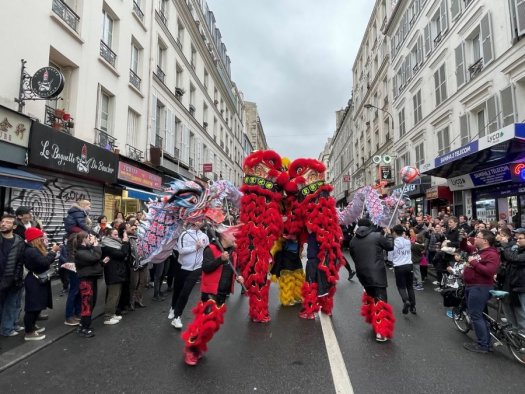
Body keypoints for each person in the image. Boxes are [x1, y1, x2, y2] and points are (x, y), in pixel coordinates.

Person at [181, 226, 243, 365]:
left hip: (223, 293)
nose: (235, 237)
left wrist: (239, 277)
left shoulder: (233, 252)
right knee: (203, 324)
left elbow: (235, 268)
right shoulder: (211, 249)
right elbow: (206, 268)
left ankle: (198, 347)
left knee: (212, 326)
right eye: (233, 234)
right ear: (223, 235)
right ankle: (190, 350)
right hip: (210, 293)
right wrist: (220, 259)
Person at [349, 218, 395, 342]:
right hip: (377, 273)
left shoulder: (353, 240)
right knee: (380, 301)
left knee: (371, 298)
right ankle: (381, 332)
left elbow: (354, 257)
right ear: (370, 226)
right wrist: (389, 234)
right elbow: (390, 247)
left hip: (362, 274)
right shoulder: (376, 235)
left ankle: (375, 323)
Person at [462, 230, 501, 353]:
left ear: (485, 240)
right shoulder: (477, 250)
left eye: (477, 237)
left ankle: (483, 345)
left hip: (480, 287)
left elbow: (489, 272)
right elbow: (464, 247)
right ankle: (486, 341)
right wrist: (463, 239)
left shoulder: (492, 254)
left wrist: (473, 263)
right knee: (479, 315)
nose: (474, 239)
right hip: (472, 285)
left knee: (476, 316)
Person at [168, 220, 209, 329]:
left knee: (185, 292)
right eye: (197, 220)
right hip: (183, 267)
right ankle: (173, 307)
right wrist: (195, 247)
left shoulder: (204, 236)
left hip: (196, 269)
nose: (199, 223)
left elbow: (207, 251)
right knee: (178, 290)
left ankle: (177, 316)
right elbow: (181, 251)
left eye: (201, 221)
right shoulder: (184, 234)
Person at [23, 228, 60, 340]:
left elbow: (44, 261)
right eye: (41, 237)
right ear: (35, 239)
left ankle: (32, 326)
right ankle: (29, 332)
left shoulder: (34, 249)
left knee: (38, 305)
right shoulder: (31, 251)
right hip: (34, 281)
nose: (43, 239)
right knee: (32, 307)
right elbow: (44, 262)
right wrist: (53, 252)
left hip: (38, 279)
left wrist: (51, 254)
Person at [75, 232, 105, 338]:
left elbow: (94, 263)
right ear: (84, 239)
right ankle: (84, 328)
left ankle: (85, 324)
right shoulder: (80, 252)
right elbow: (94, 258)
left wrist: (102, 263)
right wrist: (96, 246)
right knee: (87, 304)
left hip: (91, 279)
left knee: (91, 303)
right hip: (86, 281)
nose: (90, 239)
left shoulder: (86, 250)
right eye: (89, 238)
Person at [0, 214, 26, 337]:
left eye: (8, 222)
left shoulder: (19, 241)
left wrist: (16, 278)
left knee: (11, 305)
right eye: (2, 222)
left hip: (12, 279)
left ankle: (7, 329)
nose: (3, 224)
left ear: (14, 226)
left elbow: (20, 262)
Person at [100, 228, 130, 325]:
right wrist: (125, 243)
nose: (117, 237)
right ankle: (108, 316)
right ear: (109, 235)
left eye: (117, 234)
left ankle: (112, 314)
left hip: (118, 272)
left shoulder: (115, 244)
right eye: (115, 235)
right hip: (113, 273)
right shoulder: (107, 246)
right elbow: (122, 254)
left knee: (117, 294)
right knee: (113, 295)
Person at [501, 228, 525, 331]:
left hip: (521, 287)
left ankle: (523, 335)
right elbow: (505, 258)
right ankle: (515, 334)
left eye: (520, 238)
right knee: (510, 310)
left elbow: (513, 258)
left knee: (521, 313)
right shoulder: (517, 249)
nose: (517, 240)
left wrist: (506, 246)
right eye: (517, 238)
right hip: (511, 284)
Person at [391, 225, 417, 314]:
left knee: (401, 286)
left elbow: (390, 256)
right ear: (403, 232)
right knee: (410, 286)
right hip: (409, 265)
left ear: (394, 232)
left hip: (399, 266)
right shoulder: (408, 241)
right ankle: (413, 307)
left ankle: (406, 301)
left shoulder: (393, 242)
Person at [128, 223, 147, 310]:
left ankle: (138, 299)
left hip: (143, 262)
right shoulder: (128, 239)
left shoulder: (142, 238)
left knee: (143, 282)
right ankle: (131, 301)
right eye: (133, 229)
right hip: (134, 264)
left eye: (136, 229)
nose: (135, 230)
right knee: (134, 284)